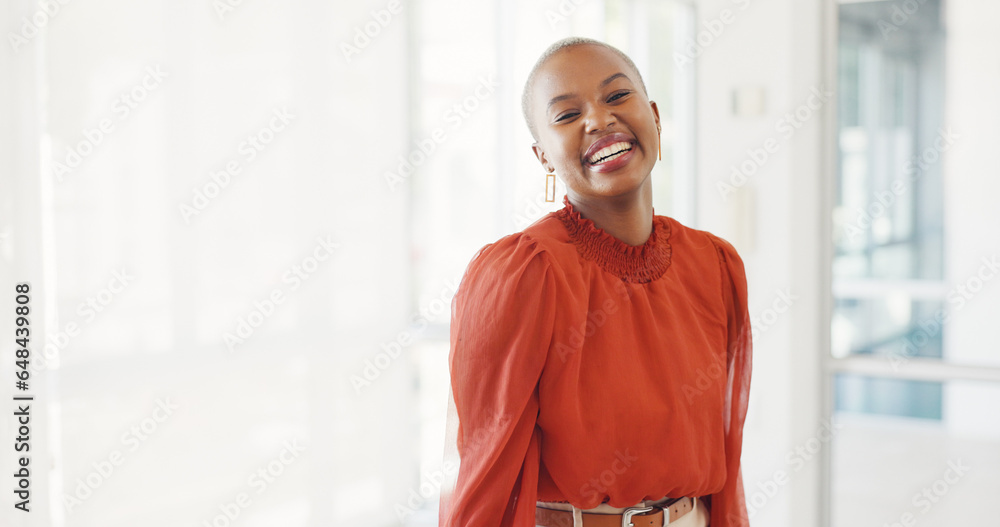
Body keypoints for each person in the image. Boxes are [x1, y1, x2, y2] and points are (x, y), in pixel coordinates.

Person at [438, 36, 752, 527]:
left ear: (654, 117)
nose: (599, 120)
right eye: (566, 115)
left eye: (617, 96)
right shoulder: (521, 274)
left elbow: (726, 459)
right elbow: (485, 480)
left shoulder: (714, 264)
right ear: (543, 157)